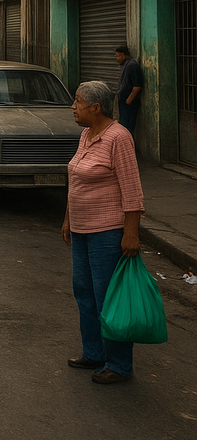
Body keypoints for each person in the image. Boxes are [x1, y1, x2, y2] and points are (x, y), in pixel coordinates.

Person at [61, 80, 145, 385]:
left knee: (109, 297)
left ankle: (119, 363)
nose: (73, 106)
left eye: (78, 101)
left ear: (96, 108)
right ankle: (94, 351)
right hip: (81, 230)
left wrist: (131, 234)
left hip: (107, 232)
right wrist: (68, 219)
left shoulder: (119, 138)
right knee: (84, 293)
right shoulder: (86, 134)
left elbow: (132, 190)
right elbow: (76, 179)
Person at [115, 45, 143, 139]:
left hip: (129, 105)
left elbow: (137, 86)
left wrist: (128, 100)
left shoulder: (132, 65)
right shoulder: (126, 66)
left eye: (118, 56)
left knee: (127, 129)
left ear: (124, 55)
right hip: (124, 105)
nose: (117, 58)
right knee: (123, 128)